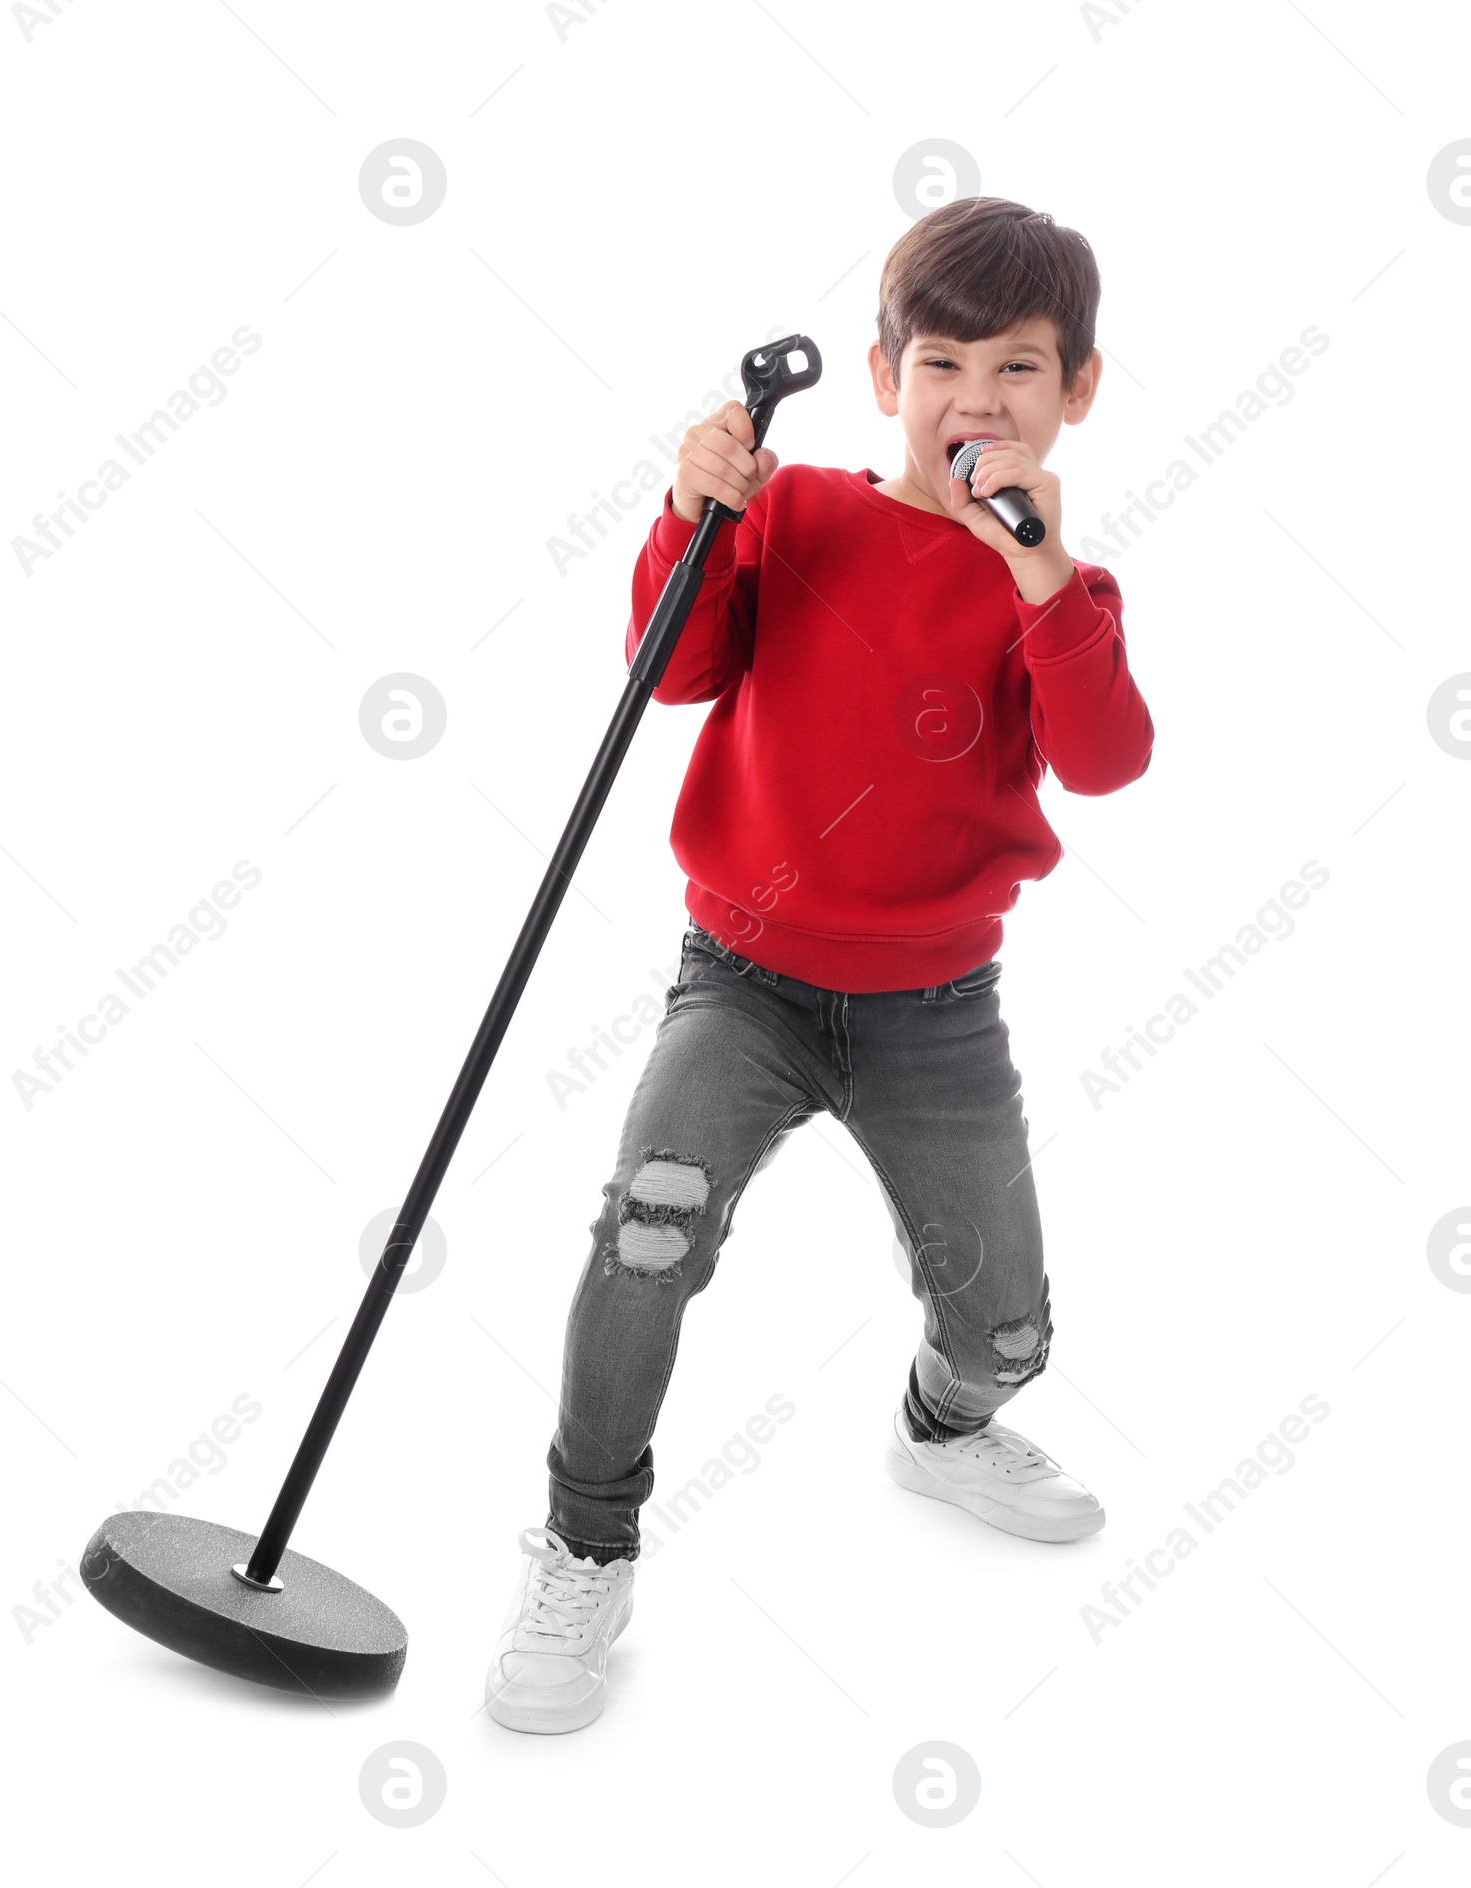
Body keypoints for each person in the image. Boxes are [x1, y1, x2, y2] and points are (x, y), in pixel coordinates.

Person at [483, 195, 1155, 1734]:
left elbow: (1106, 762)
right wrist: (691, 510)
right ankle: (587, 1542)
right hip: (746, 983)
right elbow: (680, 668)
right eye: (941, 363)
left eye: (1019, 371)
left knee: (1011, 1335)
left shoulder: (1055, 585)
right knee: (651, 1225)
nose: (976, 402)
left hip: (935, 1009)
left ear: (1079, 393)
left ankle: (940, 1422)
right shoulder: (799, 517)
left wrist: (1047, 577)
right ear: (879, 374)